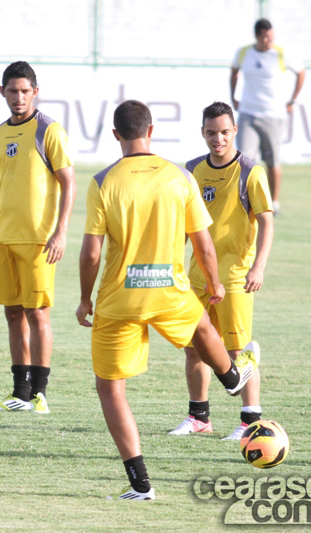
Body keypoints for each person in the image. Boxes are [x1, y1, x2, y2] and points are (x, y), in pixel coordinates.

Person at [76, 100, 257, 500]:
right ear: (151, 131)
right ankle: (231, 377)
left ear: (115, 135)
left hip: (119, 298)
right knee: (201, 324)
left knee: (111, 389)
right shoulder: (180, 177)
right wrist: (215, 283)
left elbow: (90, 254)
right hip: (169, 290)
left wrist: (85, 299)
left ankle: (140, 483)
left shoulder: (103, 181)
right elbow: (203, 244)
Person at [0, 61, 76, 414]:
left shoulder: (49, 130)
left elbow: (69, 182)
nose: (19, 97)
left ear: (35, 92)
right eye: (13, 91)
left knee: (38, 314)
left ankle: (40, 394)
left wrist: (60, 231)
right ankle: (20, 393)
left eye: (25, 91)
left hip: (38, 240)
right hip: (3, 238)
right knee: (13, 314)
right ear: (2, 92)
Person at [169, 102, 274, 441]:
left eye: (225, 132)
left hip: (235, 278)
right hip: (196, 277)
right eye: (212, 133)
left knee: (237, 351)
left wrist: (258, 266)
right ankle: (199, 417)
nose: (218, 139)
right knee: (194, 347)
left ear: (235, 131)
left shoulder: (250, 172)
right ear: (202, 133)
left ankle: (250, 420)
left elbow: (267, 222)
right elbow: (184, 224)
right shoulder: (191, 170)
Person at [230, 18, 305, 215]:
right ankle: (245, 199)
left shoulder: (280, 54)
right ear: (257, 36)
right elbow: (234, 71)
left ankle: (275, 201)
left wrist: (292, 100)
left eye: (271, 36)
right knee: (245, 159)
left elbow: (301, 72)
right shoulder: (244, 53)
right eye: (265, 36)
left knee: (272, 161)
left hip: (273, 115)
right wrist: (233, 97)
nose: (269, 40)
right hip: (248, 113)